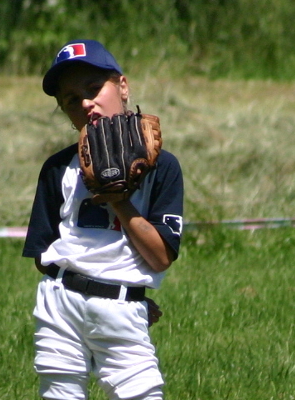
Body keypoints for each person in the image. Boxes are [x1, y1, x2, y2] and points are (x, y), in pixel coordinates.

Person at [22, 39, 184, 400]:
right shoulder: (56, 168)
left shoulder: (162, 167)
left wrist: (119, 202)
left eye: (94, 89)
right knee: (59, 392)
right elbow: (42, 253)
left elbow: (160, 257)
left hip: (121, 310)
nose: (85, 102)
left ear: (122, 87)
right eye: (70, 99)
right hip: (59, 302)